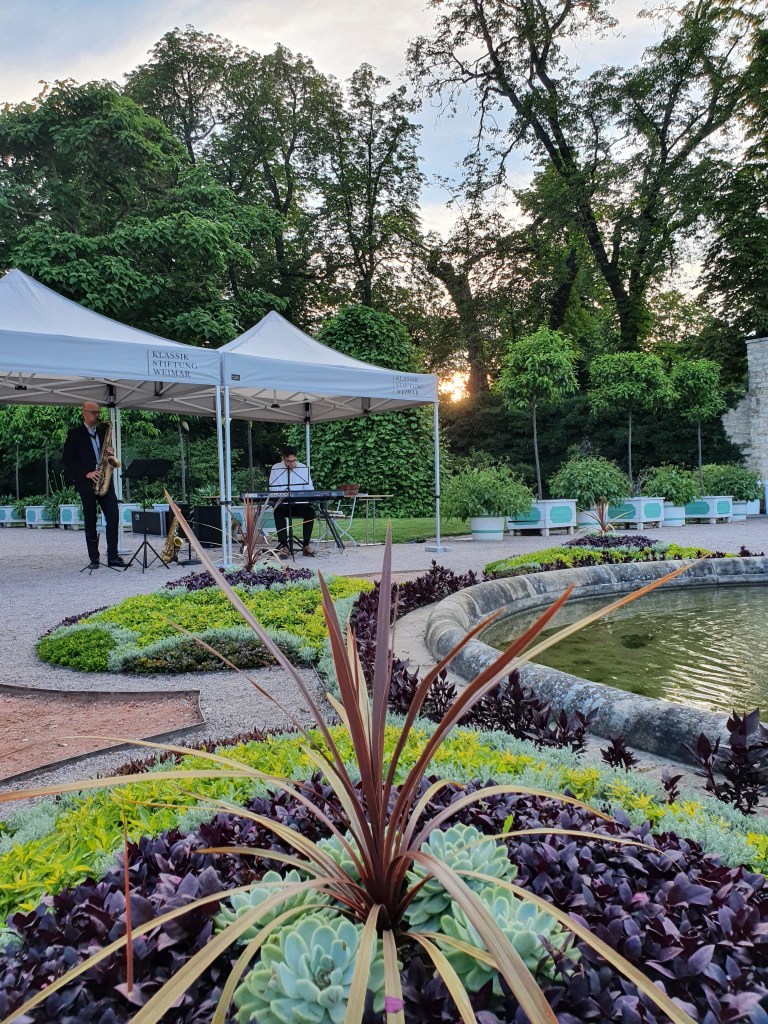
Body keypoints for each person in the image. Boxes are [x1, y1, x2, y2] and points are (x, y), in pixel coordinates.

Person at [62, 402, 126, 569]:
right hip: (87, 483)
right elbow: (68, 460)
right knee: (90, 520)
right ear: (84, 413)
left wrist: (110, 453)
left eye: (98, 412)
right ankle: (94, 558)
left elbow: (105, 454)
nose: (97, 415)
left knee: (113, 516)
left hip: (105, 480)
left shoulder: (103, 430)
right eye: (93, 412)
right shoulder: (75, 434)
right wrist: (86, 473)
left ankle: (113, 556)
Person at [268, 447, 316, 558]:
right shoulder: (275, 468)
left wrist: (299, 493)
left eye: (294, 460)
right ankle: (284, 545)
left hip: (299, 504)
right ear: (283, 459)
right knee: (278, 512)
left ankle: (306, 545)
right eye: (289, 461)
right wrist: (285, 491)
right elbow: (272, 489)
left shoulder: (302, 468)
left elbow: (310, 488)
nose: (292, 464)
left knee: (310, 512)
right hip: (284, 504)